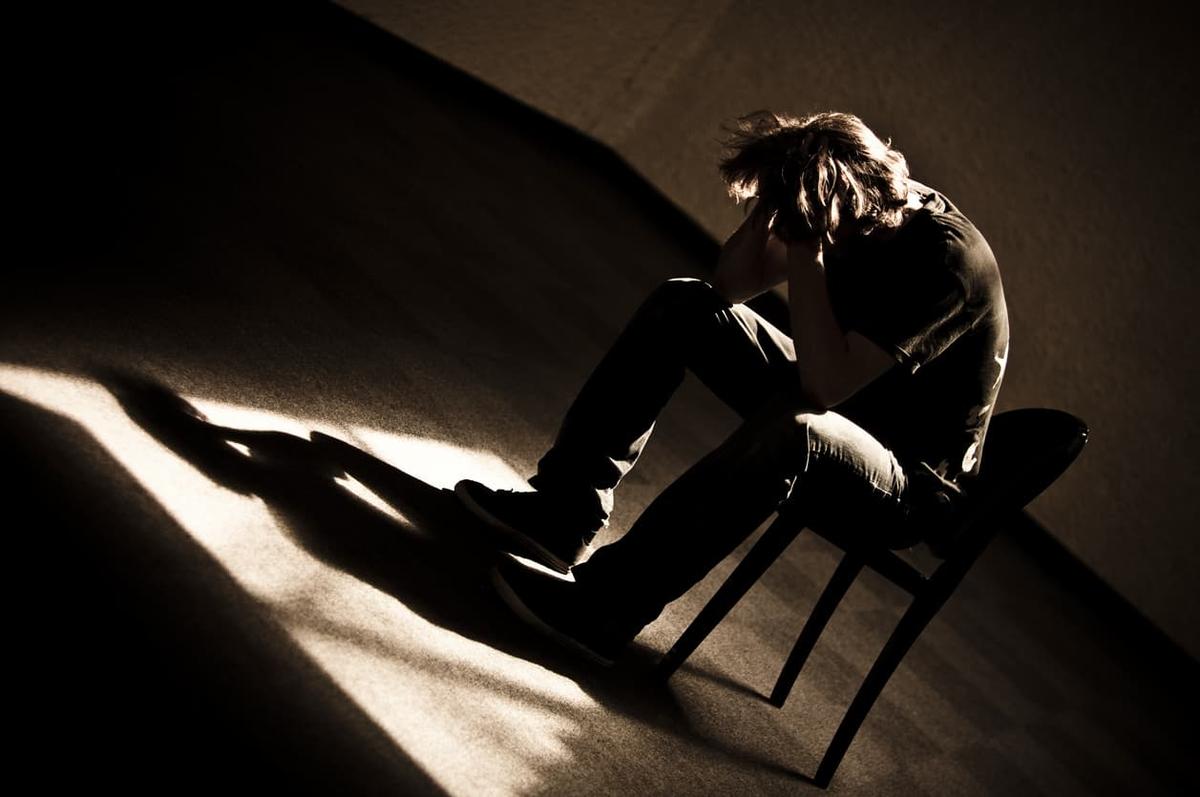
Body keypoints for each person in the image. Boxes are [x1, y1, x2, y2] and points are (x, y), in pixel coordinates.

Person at [455, 110, 1010, 666]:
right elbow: (731, 285)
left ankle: (608, 607)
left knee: (796, 430)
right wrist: (773, 207)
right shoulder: (860, 203)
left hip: (906, 482)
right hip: (841, 393)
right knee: (684, 305)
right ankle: (562, 513)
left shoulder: (945, 261)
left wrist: (807, 247)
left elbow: (823, 388)